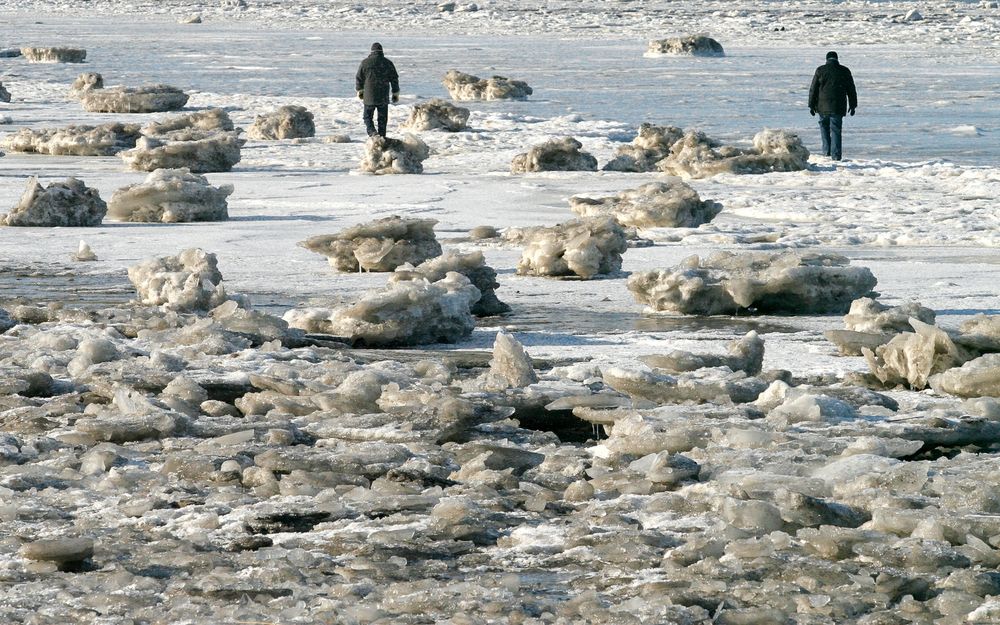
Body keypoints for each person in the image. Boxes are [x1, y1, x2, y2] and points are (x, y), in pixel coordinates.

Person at [808, 51, 858, 161]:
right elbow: (851, 89)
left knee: (824, 128)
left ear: (827, 59)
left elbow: (813, 89)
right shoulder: (844, 70)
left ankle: (826, 153)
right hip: (838, 106)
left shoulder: (820, 70)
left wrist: (811, 105)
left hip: (822, 106)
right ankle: (836, 156)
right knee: (835, 130)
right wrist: (853, 105)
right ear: (837, 59)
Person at [355, 42, 399, 138]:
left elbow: (359, 78)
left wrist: (360, 91)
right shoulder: (388, 63)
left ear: (371, 51)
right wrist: (395, 93)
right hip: (383, 96)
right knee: (382, 119)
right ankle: (382, 138)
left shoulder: (365, 63)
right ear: (382, 51)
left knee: (367, 117)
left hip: (369, 96)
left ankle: (373, 133)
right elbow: (394, 79)